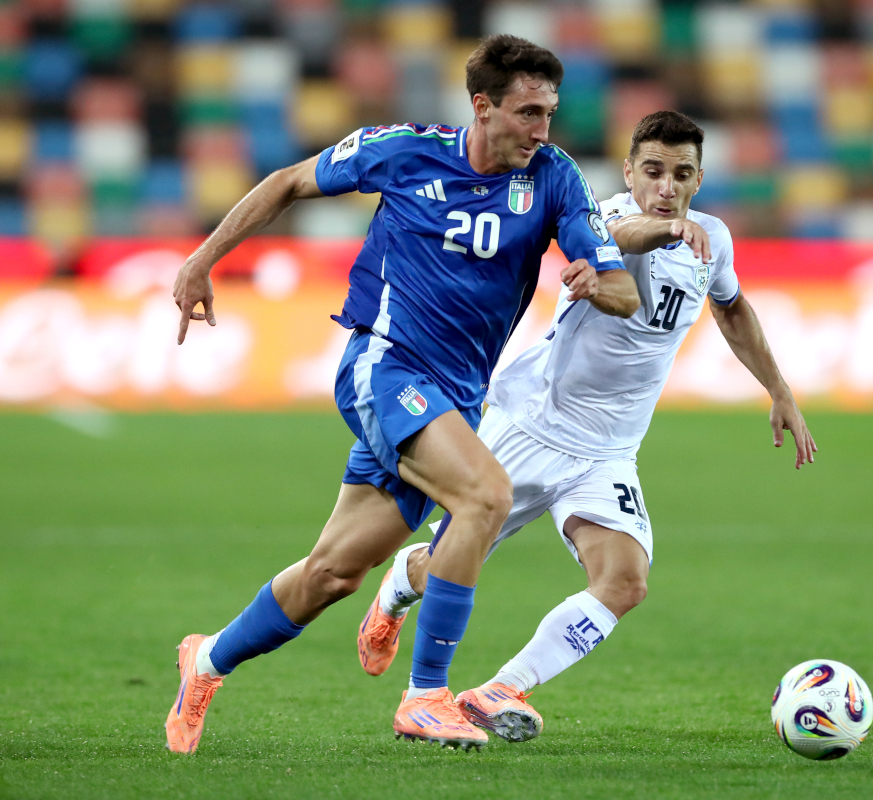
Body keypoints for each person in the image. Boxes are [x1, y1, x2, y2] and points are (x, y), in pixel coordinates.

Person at [165, 35, 669, 754]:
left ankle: (206, 659)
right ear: (483, 106)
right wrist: (202, 259)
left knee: (334, 574)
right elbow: (286, 182)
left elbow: (617, 282)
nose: (541, 130)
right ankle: (427, 695)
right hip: (385, 366)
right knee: (485, 497)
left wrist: (603, 285)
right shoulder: (402, 151)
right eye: (527, 113)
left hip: (457, 397)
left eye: (550, 114)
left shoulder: (554, 178)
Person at [357, 110, 817, 742]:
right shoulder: (598, 214)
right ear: (630, 172)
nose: (665, 187)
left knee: (626, 582)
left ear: (699, 179)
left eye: (681, 175)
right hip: (532, 425)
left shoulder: (713, 238)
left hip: (608, 452)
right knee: (448, 565)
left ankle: (500, 689)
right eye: (653, 171)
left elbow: (732, 310)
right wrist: (662, 231)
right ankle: (394, 592)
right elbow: (621, 236)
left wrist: (779, 390)